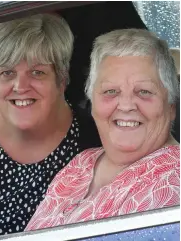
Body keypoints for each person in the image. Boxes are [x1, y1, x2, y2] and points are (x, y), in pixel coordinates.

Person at [0, 14, 101, 240]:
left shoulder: (97, 144)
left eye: (37, 72)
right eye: (7, 72)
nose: (20, 86)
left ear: (62, 80)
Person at [25, 29, 180, 231]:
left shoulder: (172, 183)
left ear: (171, 106)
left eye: (144, 91)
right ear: (93, 103)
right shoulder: (82, 163)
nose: (125, 105)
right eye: (110, 91)